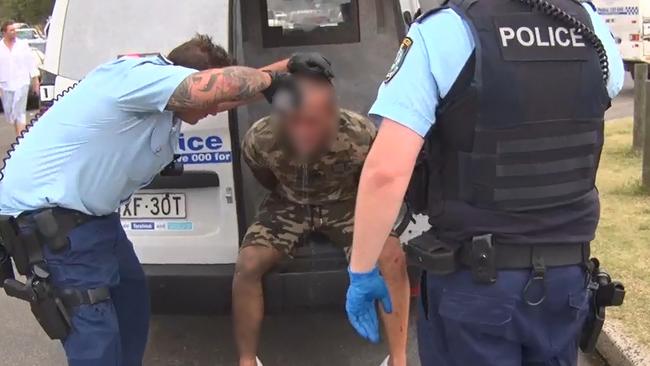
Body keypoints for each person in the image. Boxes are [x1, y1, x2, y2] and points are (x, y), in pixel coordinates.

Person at [0, 33, 331, 366]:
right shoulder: (137, 76)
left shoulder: (161, 97)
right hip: (56, 227)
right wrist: (273, 82)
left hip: (96, 223)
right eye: (211, 100)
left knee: (132, 310)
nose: (214, 112)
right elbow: (210, 90)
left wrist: (286, 67)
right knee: (95, 340)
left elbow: (220, 94)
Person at [344, 0, 625, 365]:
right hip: (565, 280)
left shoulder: (444, 30)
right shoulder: (589, 22)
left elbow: (386, 172)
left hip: (475, 286)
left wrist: (362, 270)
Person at [234, 72, 410, 366]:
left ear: (332, 114)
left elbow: (371, 182)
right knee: (247, 264)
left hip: (345, 202)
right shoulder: (261, 137)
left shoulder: (360, 134)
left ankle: (400, 359)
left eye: (311, 121)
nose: (301, 131)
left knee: (392, 257)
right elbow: (263, 175)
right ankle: (246, 359)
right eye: (292, 120)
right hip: (288, 201)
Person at [0, 20, 40, 137]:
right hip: (5, 84)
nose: (14, 32)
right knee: (11, 113)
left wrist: (35, 80)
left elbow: (30, 62)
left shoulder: (22, 45)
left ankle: (20, 138)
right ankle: (19, 133)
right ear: (4, 32)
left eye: (14, 30)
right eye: (11, 30)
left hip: (22, 82)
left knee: (20, 111)